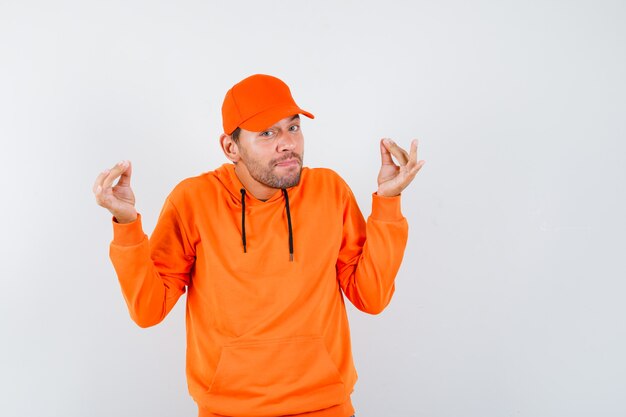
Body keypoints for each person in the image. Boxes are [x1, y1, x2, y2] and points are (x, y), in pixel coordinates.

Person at [93, 74, 425, 417]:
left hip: (326, 407)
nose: (288, 144)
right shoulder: (193, 201)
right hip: (228, 410)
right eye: (267, 133)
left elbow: (371, 297)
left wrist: (389, 200)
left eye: (293, 128)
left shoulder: (330, 191)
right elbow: (148, 310)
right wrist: (127, 225)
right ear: (230, 147)